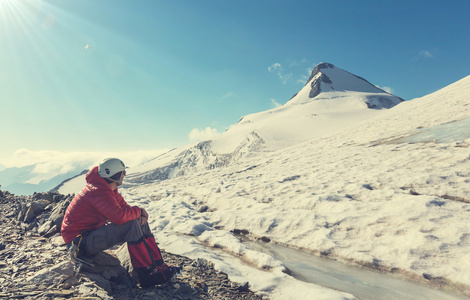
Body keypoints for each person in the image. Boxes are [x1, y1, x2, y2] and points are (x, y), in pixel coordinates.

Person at [61, 158, 178, 287]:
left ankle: (157, 265)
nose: (125, 175)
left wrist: (139, 213)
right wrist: (139, 211)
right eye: (123, 172)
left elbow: (125, 208)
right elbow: (119, 217)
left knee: (138, 221)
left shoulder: (107, 188)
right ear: (116, 175)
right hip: (79, 243)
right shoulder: (98, 191)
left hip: (87, 236)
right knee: (132, 224)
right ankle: (146, 274)